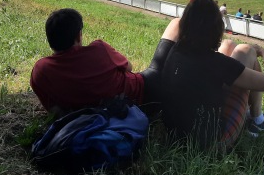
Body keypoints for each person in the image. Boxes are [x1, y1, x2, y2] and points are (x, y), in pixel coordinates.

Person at [160, 0, 264, 149]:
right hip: (211, 141)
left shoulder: (176, 49)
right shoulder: (216, 63)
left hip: (174, 132)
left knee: (229, 44)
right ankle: (258, 120)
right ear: (216, 29)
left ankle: (256, 118)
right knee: (248, 50)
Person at [30, 8, 176, 117]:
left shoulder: (40, 71)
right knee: (176, 23)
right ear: (78, 35)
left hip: (106, 116)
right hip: (142, 96)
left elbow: (56, 111)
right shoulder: (99, 49)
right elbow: (129, 68)